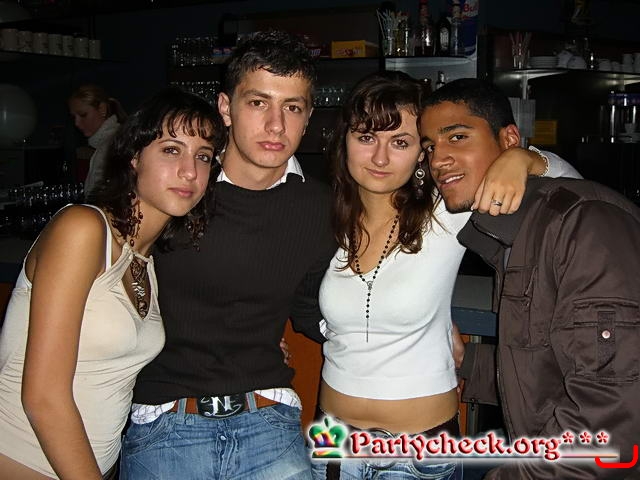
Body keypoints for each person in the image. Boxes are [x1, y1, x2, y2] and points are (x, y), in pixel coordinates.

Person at [313, 71, 580, 480]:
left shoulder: (446, 212)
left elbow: (574, 185)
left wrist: (523, 159)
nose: (380, 158)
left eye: (400, 142)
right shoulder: (327, 217)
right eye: (366, 137)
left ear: (421, 155)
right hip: (332, 445)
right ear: (344, 141)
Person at [119, 31, 337, 479]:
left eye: (292, 107)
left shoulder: (322, 208)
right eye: (258, 103)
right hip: (166, 417)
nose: (276, 125)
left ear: (308, 116)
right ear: (225, 107)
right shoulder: (179, 187)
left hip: (268, 416)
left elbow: (311, 309)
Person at [420, 77, 640, 479]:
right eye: (430, 146)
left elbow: (609, 420)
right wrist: (467, 362)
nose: (438, 160)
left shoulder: (585, 225)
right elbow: (550, 368)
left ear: (509, 140)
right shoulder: (515, 234)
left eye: (457, 137)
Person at [0, 87, 224, 479]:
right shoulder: (83, 229)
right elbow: (43, 396)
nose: (190, 171)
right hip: (23, 462)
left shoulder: (145, 260)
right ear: (134, 156)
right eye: (171, 150)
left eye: (203, 156)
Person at [68, 84, 128, 199]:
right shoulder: (113, 140)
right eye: (74, 117)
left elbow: (99, 199)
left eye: (83, 115)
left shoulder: (110, 146)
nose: (77, 123)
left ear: (102, 109)